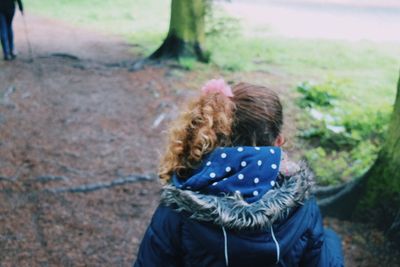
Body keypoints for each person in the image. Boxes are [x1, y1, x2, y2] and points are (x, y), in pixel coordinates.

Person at [133, 79, 344, 267]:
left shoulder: (179, 204)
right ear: (278, 142)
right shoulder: (302, 204)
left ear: (213, 134)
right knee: (329, 239)